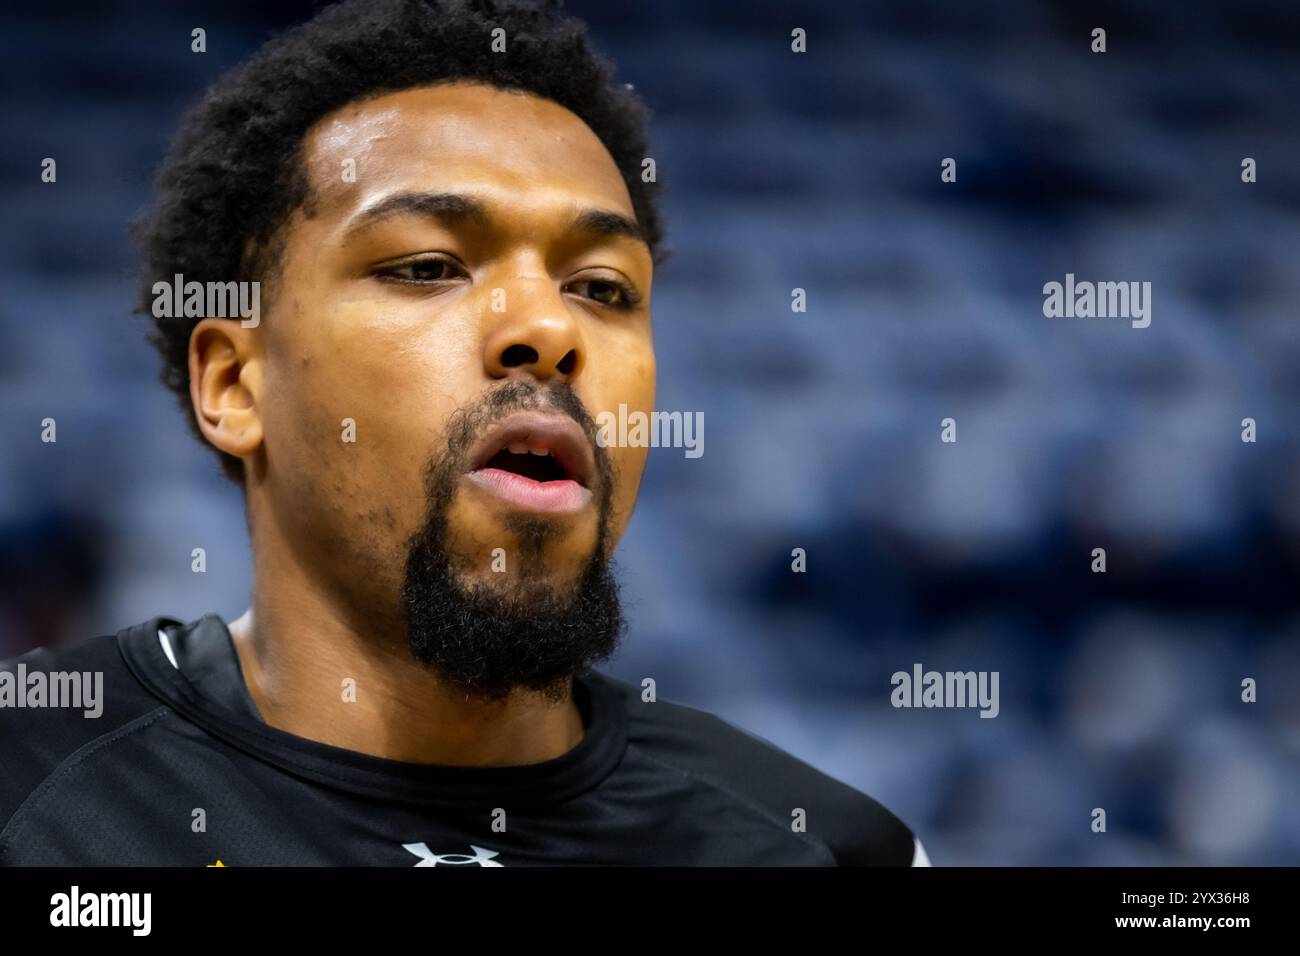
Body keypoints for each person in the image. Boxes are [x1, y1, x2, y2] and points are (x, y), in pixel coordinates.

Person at [0, 0, 926, 866]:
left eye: (603, 289)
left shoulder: (825, 848)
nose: (550, 331)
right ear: (236, 384)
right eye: (429, 266)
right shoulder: (33, 791)